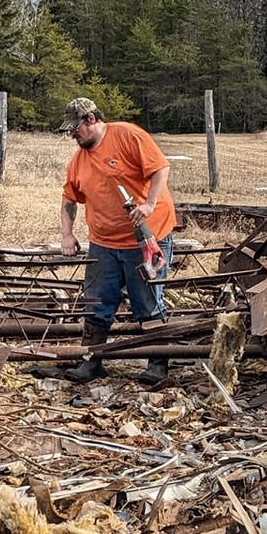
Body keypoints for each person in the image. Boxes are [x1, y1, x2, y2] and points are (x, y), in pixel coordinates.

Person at [56, 96, 178, 383]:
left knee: (147, 301)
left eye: (76, 128)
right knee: (96, 302)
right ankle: (92, 361)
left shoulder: (128, 135)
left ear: (91, 119)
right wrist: (67, 233)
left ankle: (157, 365)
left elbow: (160, 168)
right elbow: (69, 198)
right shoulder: (78, 161)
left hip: (146, 238)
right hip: (104, 243)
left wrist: (148, 204)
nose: (74, 134)